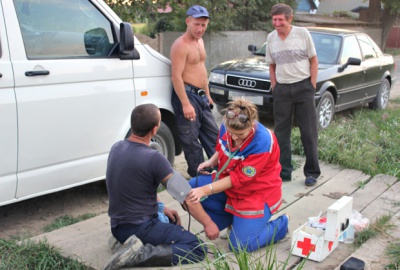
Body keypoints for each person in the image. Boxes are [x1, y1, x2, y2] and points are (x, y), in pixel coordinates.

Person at [104, 104, 206, 269]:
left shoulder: (117, 148)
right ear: (155, 129)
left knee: (171, 222)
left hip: (117, 227)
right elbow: (184, 194)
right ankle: (139, 254)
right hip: (139, 227)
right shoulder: (153, 158)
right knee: (197, 248)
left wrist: (161, 207)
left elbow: (135, 186)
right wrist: (209, 225)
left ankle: (125, 243)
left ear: (133, 125)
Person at [186, 98, 289, 252]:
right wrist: (212, 162)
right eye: (231, 133)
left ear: (252, 125)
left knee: (240, 246)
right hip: (229, 187)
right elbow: (222, 147)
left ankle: (281, 224)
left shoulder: (263, 142)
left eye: (240, 134)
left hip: (255, 194)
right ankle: (232, 221)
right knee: (188, 190)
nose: (234, 137)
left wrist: (205, 190)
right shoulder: (227, 125)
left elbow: (237, 179)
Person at [265, 3, 321, 186]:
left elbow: (314, 60)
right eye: (274, 19)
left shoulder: (302, 34)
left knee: (309, 132)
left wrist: (311, 85)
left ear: (290, 19)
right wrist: (275, 86)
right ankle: (284, 172)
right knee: (281, 134)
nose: (277, 23)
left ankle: (312, 172)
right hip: (282, 90)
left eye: (280, 19)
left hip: (303, 87)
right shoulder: (271, 38)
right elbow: (271, 65)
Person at [170, 5, 219, 178]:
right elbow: (176, 77)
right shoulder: (180, 45)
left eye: (203, 25)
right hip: (187, 96)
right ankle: (199, 180)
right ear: (188, 21)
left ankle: (219, 175)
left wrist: (207, 93)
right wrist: (185, 103)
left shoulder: (200, 42)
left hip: (201, 96)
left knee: (215, 138)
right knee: (191, 143)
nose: (200, 29)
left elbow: (202, 69)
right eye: (196, 24)